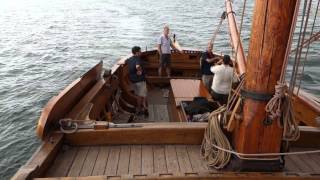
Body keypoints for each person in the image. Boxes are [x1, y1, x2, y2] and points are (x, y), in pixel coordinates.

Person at [127, 46, 148, 116]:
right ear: (137, 52)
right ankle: (141, 109)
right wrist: (140, 71)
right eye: (140, 51)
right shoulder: (138, 59)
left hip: (133, 80)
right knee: (142, 95)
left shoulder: (129, 59)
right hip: (140, 80)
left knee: (139, 95)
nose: (141, 52)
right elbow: (137, 66)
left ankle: (142, 108)